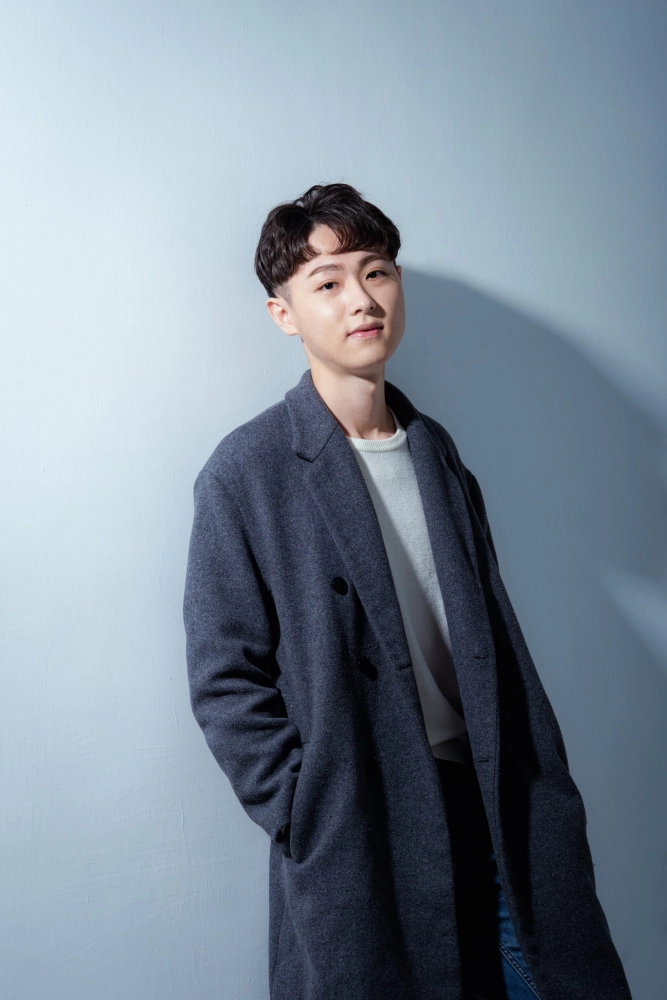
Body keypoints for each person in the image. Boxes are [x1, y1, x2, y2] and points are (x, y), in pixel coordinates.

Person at [183, 183, 632, 999]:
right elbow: (223, 677)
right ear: (284, 314)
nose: (361, 299)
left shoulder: (436, 453)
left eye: (377, 272)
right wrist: (309, 808)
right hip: (368, 816)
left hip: (497, 801)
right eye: (326, 282)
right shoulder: (246, 472)